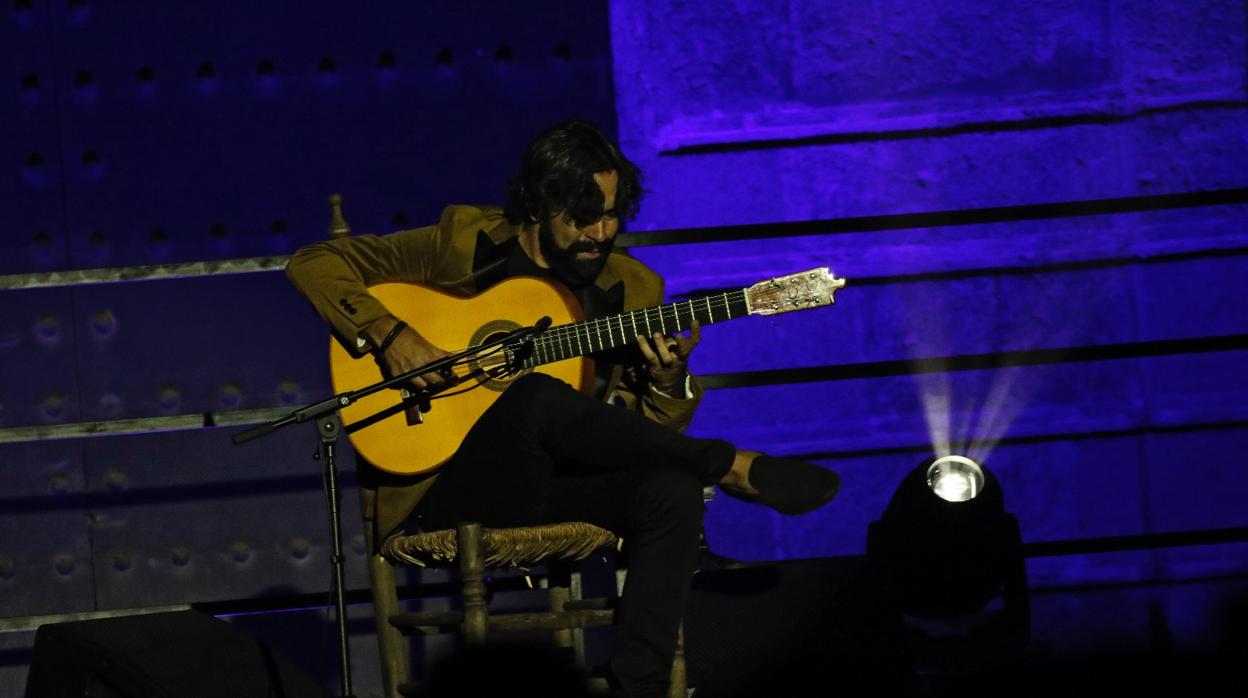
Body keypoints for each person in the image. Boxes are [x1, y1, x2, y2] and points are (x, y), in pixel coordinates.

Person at [285, 120, 840, 698]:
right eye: (582, 217)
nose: (600, 233)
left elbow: (634, 434)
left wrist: (668, 379)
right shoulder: (462, 240)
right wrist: (390, 332)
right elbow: (314, 261)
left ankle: (640, 687)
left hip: (549, 485)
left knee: (670, 487)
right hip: (442, 489)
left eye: (611, 215)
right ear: (537, 205)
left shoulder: (632, 289)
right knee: (535, 394)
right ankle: (727, 465)